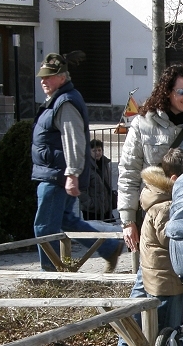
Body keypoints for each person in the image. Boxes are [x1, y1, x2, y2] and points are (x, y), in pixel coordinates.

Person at [115, 63, 183, 346]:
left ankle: (172, 341)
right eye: (182, 92)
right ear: (168, 92)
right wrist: (126, 219)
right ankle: (128, 342)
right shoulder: (143, 124)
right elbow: (128, 173)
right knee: (147, 275)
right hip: (152, 212)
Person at [31, 52, 124, 272]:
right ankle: (109, 248)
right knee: (66, 220)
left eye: (49, 77)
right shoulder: (59, 100)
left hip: (56, 174)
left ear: (62, 77)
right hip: (55, 172)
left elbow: (73, 140)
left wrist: (72, 174)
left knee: (44, 228)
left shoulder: (65, 102)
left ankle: (51, 275)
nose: (43, 80)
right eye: (42, 77)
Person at [139, 148, 183, 341]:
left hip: (167, 271)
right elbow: (168, 237)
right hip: (166, 274)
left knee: (174, 316)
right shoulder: (165, 206)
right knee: (169, 322)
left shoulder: (162, 198)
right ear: (174, 179)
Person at [79, 139, 115, 221]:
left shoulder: (105, 164)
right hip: (92, 209)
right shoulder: (86, 167)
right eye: (94, 150)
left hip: (105, 207)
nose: (98, 153)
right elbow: (81, 189)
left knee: (112, 229)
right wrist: (90, 204)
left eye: (99, 150)